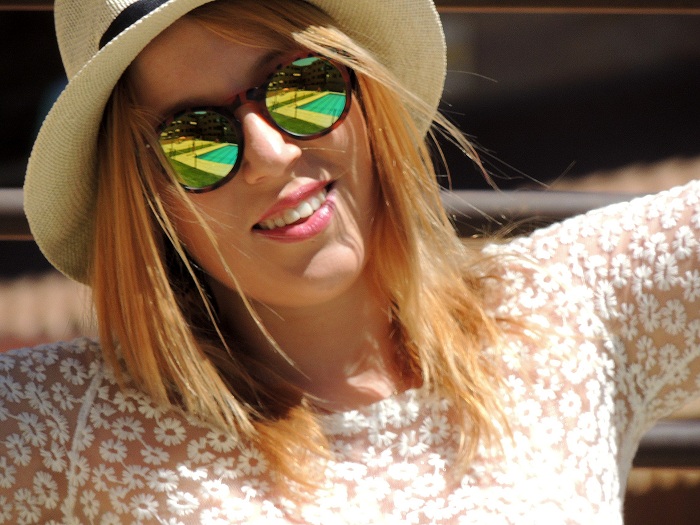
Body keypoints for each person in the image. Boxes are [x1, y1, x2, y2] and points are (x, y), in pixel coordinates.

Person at [2, 0, 699, 521]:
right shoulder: (73, 425)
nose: (272, 154)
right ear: (149, 198)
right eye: (196, 139)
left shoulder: (571, 306)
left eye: (299, 86)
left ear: (364, 90)